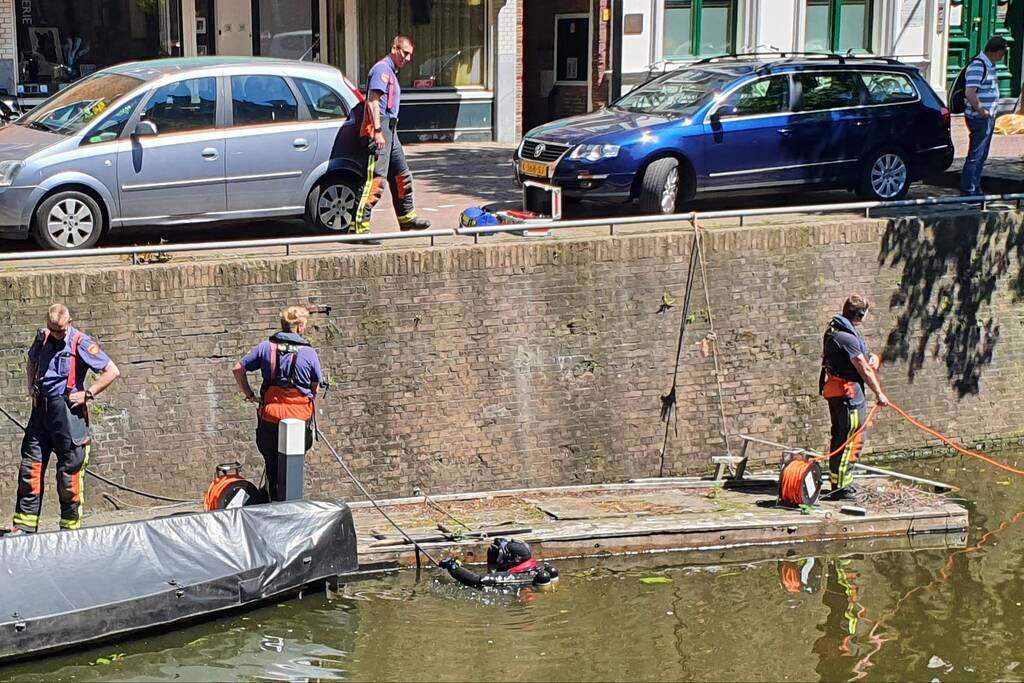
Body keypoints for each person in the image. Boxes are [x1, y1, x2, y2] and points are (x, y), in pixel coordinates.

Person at [11, 304, 120, 534]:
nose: (56, 334)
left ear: (69, 323)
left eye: (60, 330)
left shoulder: (81, 343)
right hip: (41, 414)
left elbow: (112, 371)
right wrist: (31, 387)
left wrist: (88, 394)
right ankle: (24, 526)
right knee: (30, 469)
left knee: (68, 476)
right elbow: (31, 361)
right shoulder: (42, 338)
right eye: (52, 329)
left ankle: (69, 530)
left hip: (68, 415)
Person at [233, 305, 323, 501]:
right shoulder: (309, 353)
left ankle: (273, 499)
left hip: (270, 417)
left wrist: (250, 394)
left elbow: (238, 369)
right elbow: (315, 387)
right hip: (300, 418)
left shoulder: (266, 347)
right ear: (300, 327)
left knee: (272, 463)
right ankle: (290, 502)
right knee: (293, 466)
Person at [355, 35, 433, 236]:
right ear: (394, 49)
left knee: (401, 175)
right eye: (404, 53)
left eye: (410, 55)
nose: (407, 58)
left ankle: (407, 218)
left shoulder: (391, 71)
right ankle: (359, 227)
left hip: (390, 129)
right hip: (380, 128)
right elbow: (373, 101)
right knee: (375, 180)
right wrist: (378, 132)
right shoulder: (381, 70)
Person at [818, 295, 889, 498]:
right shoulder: (846, 337)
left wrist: (872, 358)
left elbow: (861, 358)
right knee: (850, 438)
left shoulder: (836, 330)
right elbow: (863, 368)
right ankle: (841, 487)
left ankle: (839, 482)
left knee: (842, 436)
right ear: (860, 315)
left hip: (839, 391)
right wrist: (879, 394)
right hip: (848, 395)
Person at [960, 36, 1009, 196]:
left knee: (982, 154)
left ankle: (975, 187)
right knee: (976, 154)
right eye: (1003, 52)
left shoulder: (989, 65)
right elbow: (970, 92)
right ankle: (968, 190)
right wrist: (982, 111)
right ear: (998, 52)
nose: (1003, 56)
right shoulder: (978, 66)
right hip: (979, 118)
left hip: (987, 117)